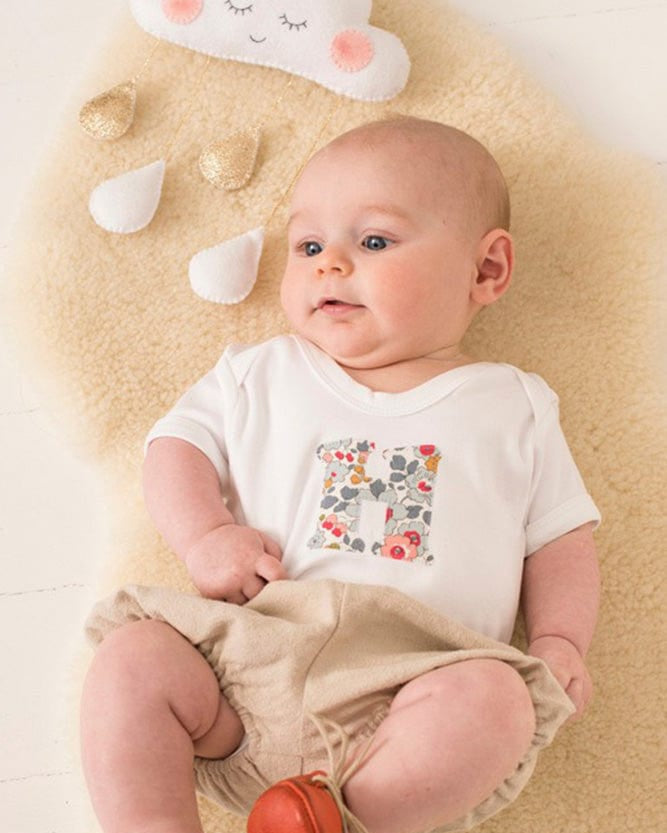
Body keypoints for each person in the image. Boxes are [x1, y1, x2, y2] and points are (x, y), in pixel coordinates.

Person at [80, 116, 601, 833]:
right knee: (133, 658)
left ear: (486, 269)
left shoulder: (513, 405)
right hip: (244, 678)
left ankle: (332, 823)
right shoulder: (261, 371)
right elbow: (175, 446)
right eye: (308, 245)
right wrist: (205, 536)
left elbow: (561, 538)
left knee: (499, 701)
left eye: (374, 241)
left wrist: (559, 640)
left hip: (414, 692)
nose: (329, 264)